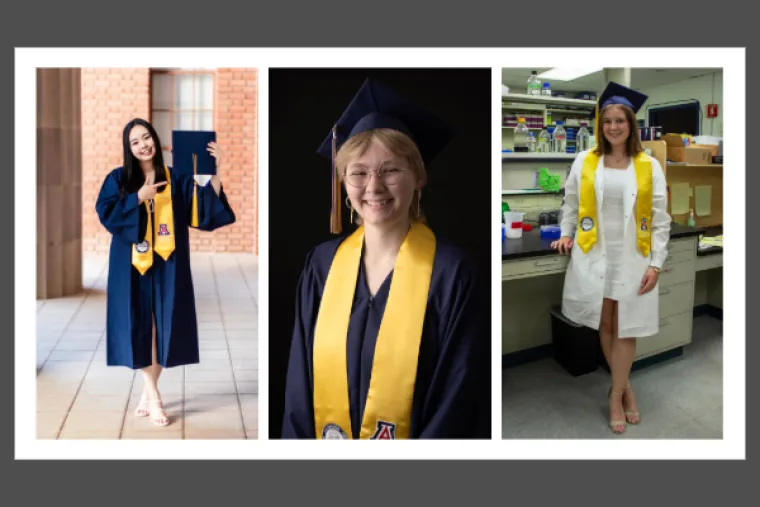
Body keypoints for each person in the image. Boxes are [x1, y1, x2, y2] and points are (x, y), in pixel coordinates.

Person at [281, 78, 490, 439]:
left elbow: (459, 399)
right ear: (343, 182)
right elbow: (300, 386)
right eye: (358, 172)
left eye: (391, 170)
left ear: (418, 177)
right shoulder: (322, 265)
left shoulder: (452, 273)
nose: (373, 187)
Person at [95, 118, 235, 427]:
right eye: (135, 142)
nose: (143, 144)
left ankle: (148, 392)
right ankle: (154, 395)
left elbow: (203, 207)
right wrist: (139, 197)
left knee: (160, 328)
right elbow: (106, 213)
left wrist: (218, 169)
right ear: (128, 148)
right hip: (132, 266)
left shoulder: (177, 178)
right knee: (140, 326)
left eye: (146, 137)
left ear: (156, 140)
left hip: (168, 264)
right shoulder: (118, 179)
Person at [551, 82, 671, 434]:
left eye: (620, 120)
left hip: (634, 256)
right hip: (596, 254)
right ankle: (625, 388)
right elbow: (570, 204)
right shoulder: (585, 161)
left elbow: (661, 220)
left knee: (626, 326)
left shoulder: (649, 165)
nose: (613, 127)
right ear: (600, 126)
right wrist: (566, 233)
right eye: (607, 121)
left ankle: (615, 393)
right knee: (605, 324)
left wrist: (655, 263)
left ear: (631, 125)